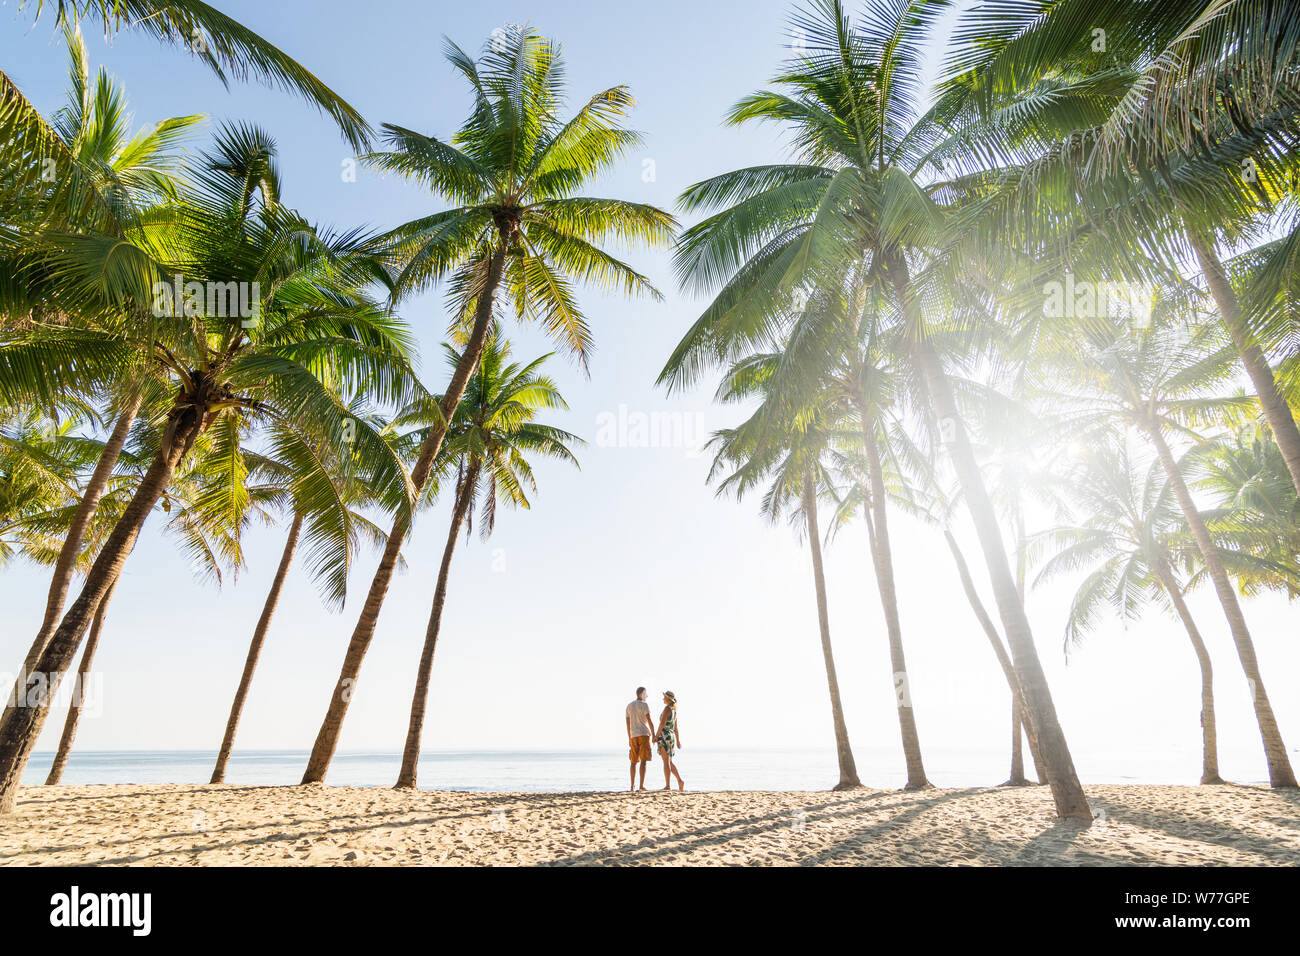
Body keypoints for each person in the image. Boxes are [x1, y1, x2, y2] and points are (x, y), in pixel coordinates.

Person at [625, 686, 655, 791]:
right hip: (644, 734)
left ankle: (632, 786)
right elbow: (649, 720)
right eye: (645, 694)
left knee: (633, 761)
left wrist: (629, 737)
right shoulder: (644, 705)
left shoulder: (629, 706)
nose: (646, 696)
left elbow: (627, 723)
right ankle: (641, 786)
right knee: (643, 761)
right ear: (641, 694)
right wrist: (654, 734)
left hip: (633, 735)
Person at [654, 690, 685, 791]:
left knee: (666, 762)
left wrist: (656, 736)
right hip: (671, 736)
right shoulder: (674, 710)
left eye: (664, 697)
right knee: (669, 762)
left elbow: (662, 724)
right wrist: (678, 740)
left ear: (668, 699)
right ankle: (680, 781)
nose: (663, 698)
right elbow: (676, 727)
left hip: (664, 735)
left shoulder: (667, 709)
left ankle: (668, 785)